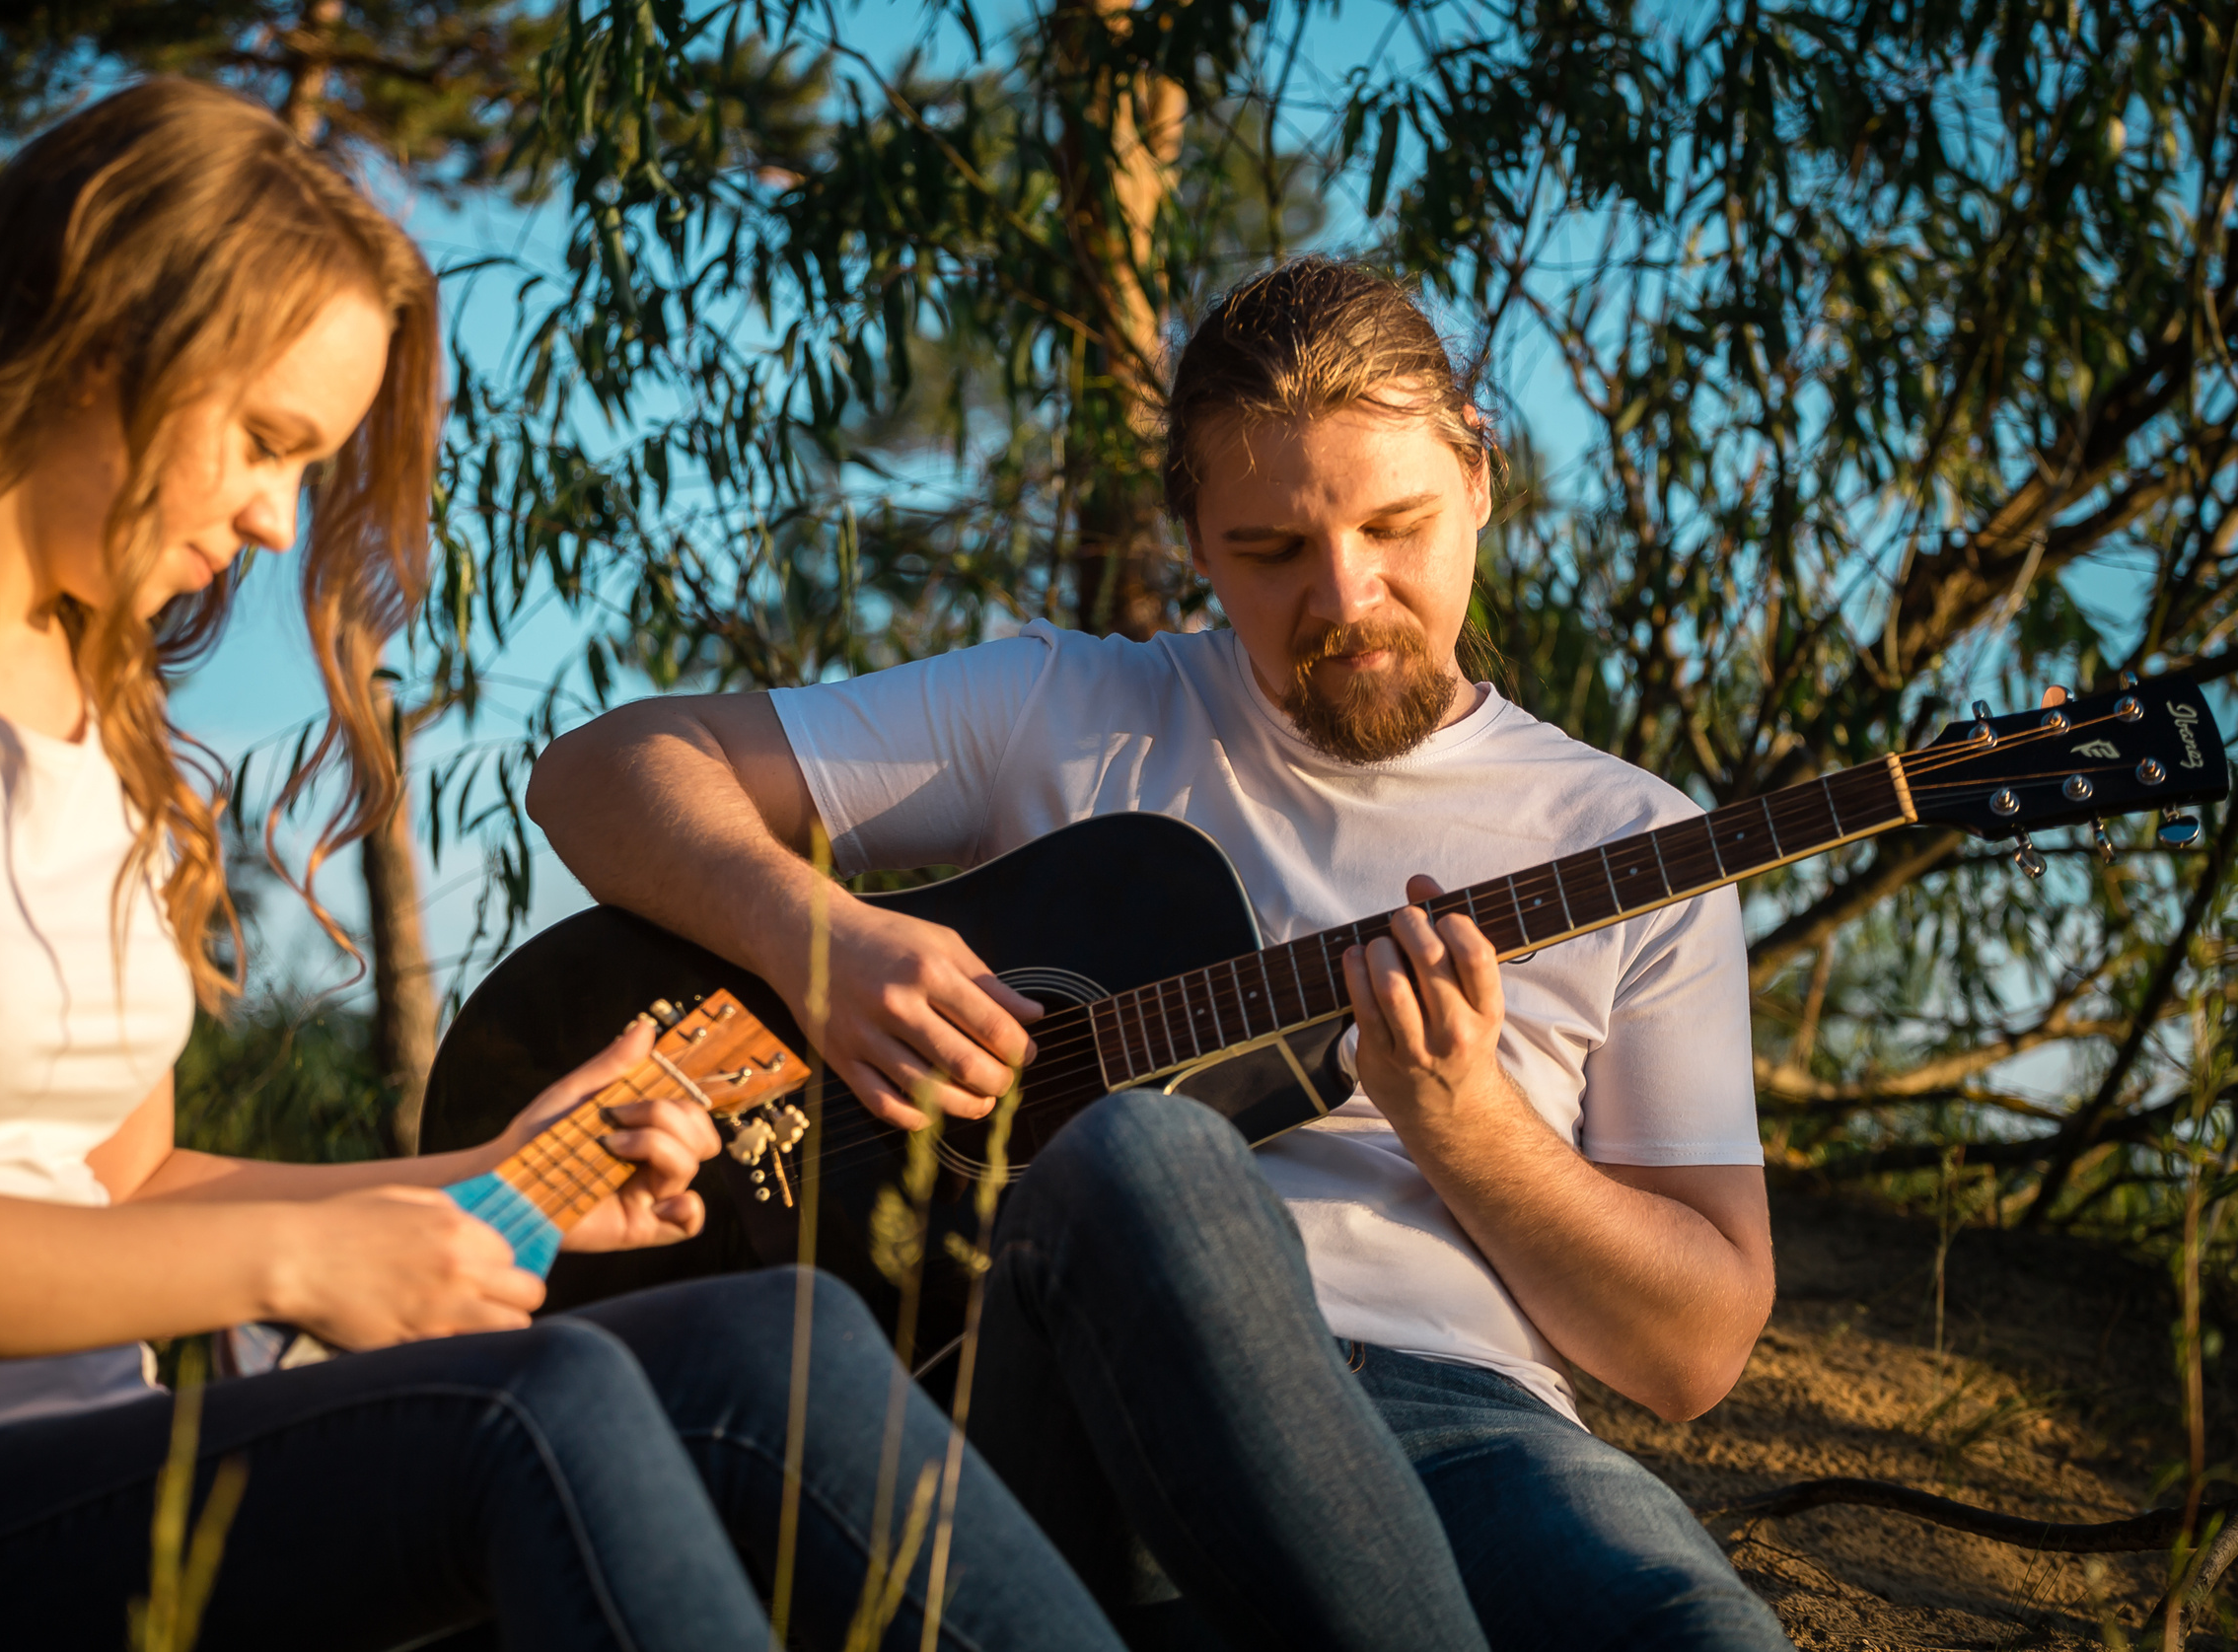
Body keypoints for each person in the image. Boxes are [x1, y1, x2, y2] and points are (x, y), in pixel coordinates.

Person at [0, 78, 1125, 1652]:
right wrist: (311, 1253)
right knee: (547, 1404)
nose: (270, 520)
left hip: (78, 1462)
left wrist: (480, 1183)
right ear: (99, 339)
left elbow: (129, 1191)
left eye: (304, 467)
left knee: (765, 1339)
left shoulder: (92, 714)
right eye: (263, 441)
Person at [534, 255, 1795, 1649]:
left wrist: (1468, 1127)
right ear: (1194, 539)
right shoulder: (1063, 709)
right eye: (1271, 551)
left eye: (1398, 525)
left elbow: (1693, 1351)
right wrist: (815, 937)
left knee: (1696, 1629)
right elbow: (603, 769)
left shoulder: (1633, 836)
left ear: (1479, 481)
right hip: (1065, 1402)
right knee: (1147, 1156)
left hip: (1460, 1426)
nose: (1346, 596)